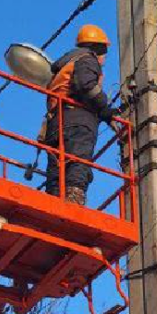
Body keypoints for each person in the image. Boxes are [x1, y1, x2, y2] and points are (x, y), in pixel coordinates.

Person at [41, 24, 117, 205]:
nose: (105, 58)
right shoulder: (87, 60)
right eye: (104, 52)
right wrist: (106, 110)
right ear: (98, 48)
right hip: (78, 121)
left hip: (55, 122)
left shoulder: (65, 66)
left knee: (57, 166)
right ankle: (73, 199)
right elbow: (86, 86)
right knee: (78, 159)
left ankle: (53, 200)